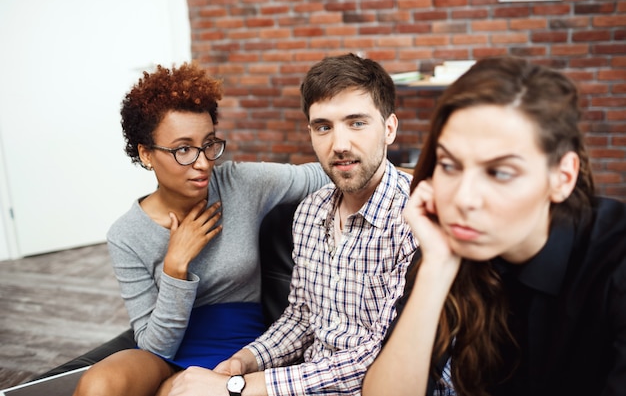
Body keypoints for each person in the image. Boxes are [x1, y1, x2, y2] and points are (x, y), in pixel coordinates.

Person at [362, 56, 626, 396]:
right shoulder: (453, 241)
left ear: (563, 177)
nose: (464, 199)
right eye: (449, 165)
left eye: (500, 172)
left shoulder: (614, 263)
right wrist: (436, 269)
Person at [167, 53, 419, 396]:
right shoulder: (311, 213)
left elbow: (385, 354)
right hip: (305, 384)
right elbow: (301, 318)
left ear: (389, 129)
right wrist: (244, 361)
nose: (340, 144)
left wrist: (243, 386)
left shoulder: (415, 221)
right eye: (324, 127)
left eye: (357, 123)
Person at [72, 62, 330, 396]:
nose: (203, 162)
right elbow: (154, 346)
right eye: (183, 149)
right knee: (98, 385)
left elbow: (325, 172)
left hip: (238, 356)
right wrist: (175, 267)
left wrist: (405, 172)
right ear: (146, 154)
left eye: (208, 144)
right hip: (165, 357)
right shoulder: (126, 235)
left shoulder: (240, 184)